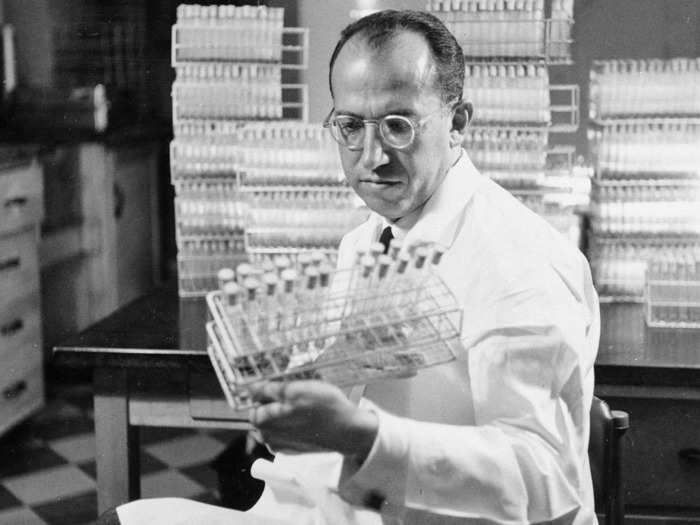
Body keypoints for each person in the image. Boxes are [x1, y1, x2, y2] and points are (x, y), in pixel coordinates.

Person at [101, 9, 599, 525]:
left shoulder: (517, 259)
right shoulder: (370, 238)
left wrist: (362, 436)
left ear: (457, 124)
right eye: (350, 126)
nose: (371, 156)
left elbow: (545, 480)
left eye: (398, 126)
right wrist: (307, 382)